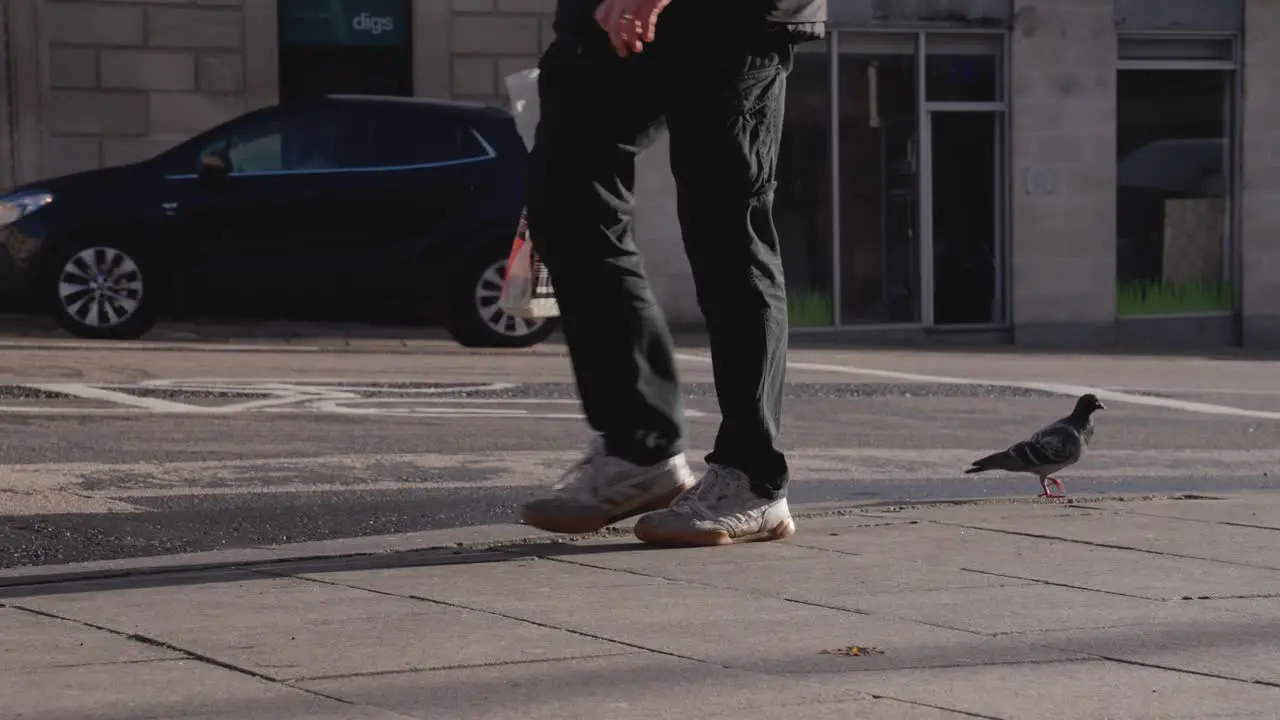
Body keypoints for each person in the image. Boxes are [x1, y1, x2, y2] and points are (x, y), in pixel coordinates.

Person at [519, 0, 826, 546]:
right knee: (565, 199)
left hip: (730, 20)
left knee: (726, 229)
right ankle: (640, 448)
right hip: (603, 17)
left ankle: (752, 478)